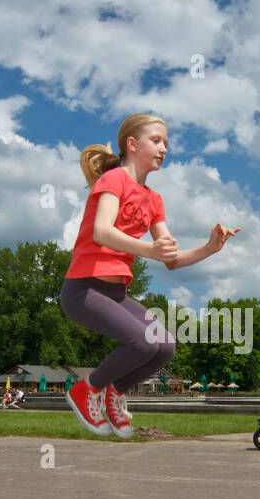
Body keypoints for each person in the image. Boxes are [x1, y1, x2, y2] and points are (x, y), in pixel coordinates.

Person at [62, 113, 239, 439]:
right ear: (132, 144)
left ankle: (114, 392)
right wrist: (150, 250)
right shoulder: (113, 180)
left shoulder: (154, 200)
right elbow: (102, 231)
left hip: (115, 293)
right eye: (156, 141)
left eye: (166, 143)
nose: (164, 149)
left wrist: (209, 248)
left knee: (165, 346)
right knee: (143, 342)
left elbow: (170, 259)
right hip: (83, 289)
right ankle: (86, 390)